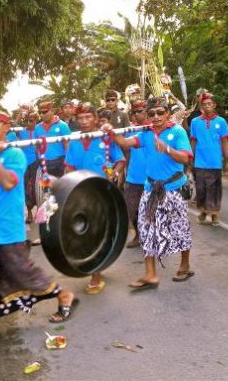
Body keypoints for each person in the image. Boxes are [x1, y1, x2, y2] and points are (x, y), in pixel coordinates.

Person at [0, 108, 77, 346]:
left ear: (6, 127)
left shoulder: (15, 156)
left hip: (8, 229)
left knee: (23, 272)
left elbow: (7, 183)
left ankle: (63, 294)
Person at [104, 96, 194, 288]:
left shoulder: (177, 132)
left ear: (167, 113)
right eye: (151, 113)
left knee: (179, 228)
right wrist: (111, 132)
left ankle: (184, 265)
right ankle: (150, 274)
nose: (156, 116)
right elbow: (125, 143)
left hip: (174, 189)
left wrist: (167, 149)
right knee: (146, 230)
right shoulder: (146, 133)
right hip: (150, 189)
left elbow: (185, 158)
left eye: (160, 112)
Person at [65, 102, 125, 294]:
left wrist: (114, 174)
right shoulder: (74, 141)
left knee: (99, 232)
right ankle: (96, 267)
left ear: (96, 119)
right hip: (82, 194)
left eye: (88, 117)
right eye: (80, 118)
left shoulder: (105, 137)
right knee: (85, 234)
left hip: (102, 192)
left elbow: (120, 161)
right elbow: (69, 168)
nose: (84, 122)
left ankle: (96, 275)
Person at [190, 93, 228, 226]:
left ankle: (214, 215)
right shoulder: (195, 122)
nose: (207, 107)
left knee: (214, 189)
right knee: (201, 189)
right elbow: (193, 142)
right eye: (204, 104)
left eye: (209, 104)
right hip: (199, 162)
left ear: (214, 105)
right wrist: (190, 157)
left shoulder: (221, 122)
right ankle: (203, 211)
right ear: (201, 107)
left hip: (215, 163)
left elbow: (224, 142)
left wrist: (227, 160)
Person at [124, 99, 150, 248]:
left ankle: (154, 237)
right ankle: (138, 235)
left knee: (153, 211)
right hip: (133, 177)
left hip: (153, 178)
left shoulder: (155, 127)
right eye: (134, 112)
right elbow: (124, 146)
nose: (137, 114)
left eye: (140, 111)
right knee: (131, 209)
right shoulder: (130, 129)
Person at [34, 101, 71, 178]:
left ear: (52, 111)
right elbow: (37, 147)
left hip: (60, 164)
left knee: (60, 189)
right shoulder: (37, 127)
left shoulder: (63, 125)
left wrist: (68, 165)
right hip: (43, 164)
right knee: (42, 189)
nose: (41, 115)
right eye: (40, 112)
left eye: (44, 112)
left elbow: (68, 146)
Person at [18, 109, 39, 223]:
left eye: (32, 120)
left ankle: (41, 212)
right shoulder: (22, 132)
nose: (29, 123)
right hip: (25, 163)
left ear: (36, 120)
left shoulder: (39, 130)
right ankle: (29, 213)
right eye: (27, 121)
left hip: (37, 162)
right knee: (26, 187)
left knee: (39, 187)